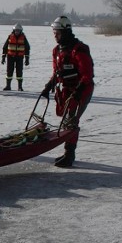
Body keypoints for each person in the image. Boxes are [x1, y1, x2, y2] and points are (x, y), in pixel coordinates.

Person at [40, 16, 94, 168]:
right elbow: (57, 72)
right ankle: (68, 152)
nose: (54, 35)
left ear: (65, 31)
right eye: (54, 32)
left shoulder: (79, 50)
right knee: (66, 120)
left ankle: (69, 154)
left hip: (82, 90)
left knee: (71, 121)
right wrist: (49, 86)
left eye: (57, 32)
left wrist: (78, 92)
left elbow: (87, 76)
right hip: (67, 90)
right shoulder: (57, 50)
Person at [2, 23, 31, 91]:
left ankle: (20, 87)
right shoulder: (10, 37)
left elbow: (27, 48)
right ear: (13, 30)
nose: (17, 32)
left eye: (18, 31)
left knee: (19, 72)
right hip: (10, 56)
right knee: (9, 71)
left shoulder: (23, 38)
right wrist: (3, 57)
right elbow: (5, 47)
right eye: (16, 30)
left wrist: (27, 59)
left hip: (19, 57)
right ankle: (8, 86)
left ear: (21, 31)